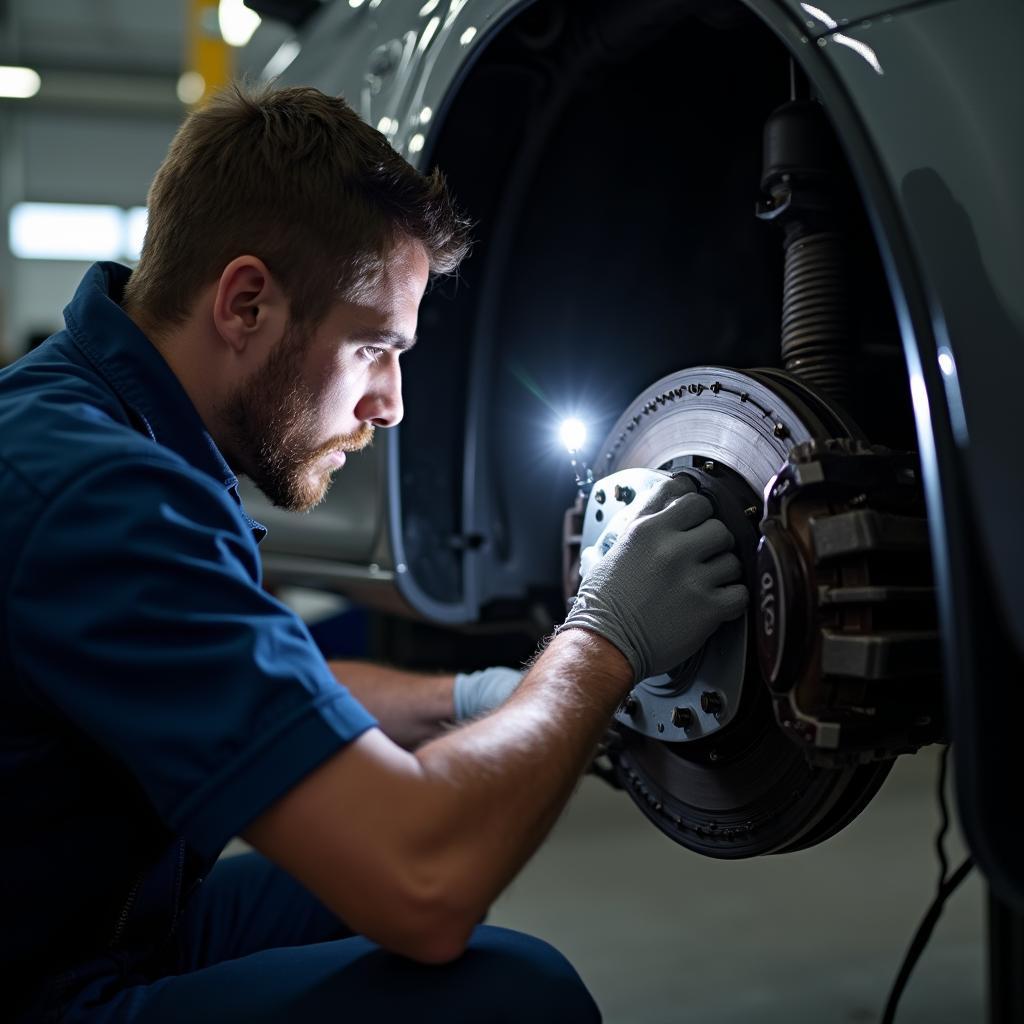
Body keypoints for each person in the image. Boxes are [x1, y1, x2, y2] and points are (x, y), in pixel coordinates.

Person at [0, 84, 746, 1023]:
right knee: (514, 990)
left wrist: (471, 700)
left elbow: (257, 682)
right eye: (372, 348)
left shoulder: (101, 425)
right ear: (245, 302)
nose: (390, 404)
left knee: (372, 867)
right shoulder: (97, 495)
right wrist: (604, 638)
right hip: (42, 981)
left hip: (80, 920)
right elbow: (423, 885)